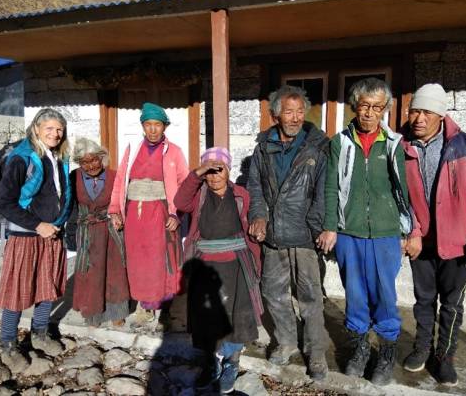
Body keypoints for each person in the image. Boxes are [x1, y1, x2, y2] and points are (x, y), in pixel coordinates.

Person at [401, 83, 466, 386]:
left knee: (452, 304)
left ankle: (444, 355)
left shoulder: (463, 146)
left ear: (441, 115)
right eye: (415, 110)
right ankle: (422, 348)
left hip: (459, 244)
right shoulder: (401, 146)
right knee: (423, 300)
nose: (419, 117)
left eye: (427, 112)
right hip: (421, 243)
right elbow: (397, 196)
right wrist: (412, 231)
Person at [319, 77, 412, 386]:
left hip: (386, 233)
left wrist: (408, 230)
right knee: (355, 294)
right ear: (354, 107)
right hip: (350, 233)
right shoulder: (340, 142)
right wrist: (331, 226)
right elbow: (331, 186)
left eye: (377, 107)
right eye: (364, 106)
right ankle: (359, 349)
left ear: (384, 109)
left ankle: (386, 352)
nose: (370, 113)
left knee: (385, 293)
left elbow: (404, 189)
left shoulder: (394, 143)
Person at [247, 85, 330, 383]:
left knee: (309, 297)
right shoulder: (263, 148)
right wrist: (258, 216)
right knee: (273, 293)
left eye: (299, 112)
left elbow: (323, 193)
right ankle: (286, 342)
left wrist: (318, 228)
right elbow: (255, 187)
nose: (295, 118)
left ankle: (316, 351)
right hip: (273, 237)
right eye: (288, 112)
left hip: (305, 236)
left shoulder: (317, 148)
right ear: (275, 115)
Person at [175, 147, 263, 394]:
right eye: (209, 173)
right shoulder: (198, 195)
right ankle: (212, 362)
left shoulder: (241, 195)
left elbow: (253, 220)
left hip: (236, 265)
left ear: (228, 170)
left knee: (235, 316)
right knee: (207, 317)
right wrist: (198, 173)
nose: (214, 177)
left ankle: (232, 362)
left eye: (219, 171)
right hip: (205, 265)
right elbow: (179, 202)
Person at [0, 108, 72, 362]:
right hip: (27, 236)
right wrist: (38, 225)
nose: (55, 133)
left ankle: (39, 333)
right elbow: (5, 202)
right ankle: (8, 342)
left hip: (52, 233)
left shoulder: (57, 157)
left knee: (47, 285)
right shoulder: (22, 158)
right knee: (18, 289)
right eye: (49, 128)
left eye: (59, 129)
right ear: (36, 129)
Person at [109, 102, 189, 330]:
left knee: (160, 261)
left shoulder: (173, 151)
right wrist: (115, 210)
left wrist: (176, 213)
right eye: (148, 124)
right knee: (138, 262)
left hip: (161, 213)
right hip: (135, 214)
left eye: (158, 125)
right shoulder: (132, 148)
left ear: (164, 127)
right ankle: (145, 308)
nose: (153, 129)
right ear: (143, 126)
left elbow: (184, 184)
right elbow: (120, 181)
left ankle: (164, 309)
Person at [68, 138, 130, 328]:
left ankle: (117, 312)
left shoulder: (114, 176)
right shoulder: (73, 177)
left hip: (110, 230)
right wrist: (70, 230)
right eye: (84, 162)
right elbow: (69, 205)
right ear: (79, 163)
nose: (91, 165)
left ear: (101, 157)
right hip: (87, 232)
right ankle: (93, 314)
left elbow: (123, 201)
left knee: (115, 271)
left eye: (94, 160)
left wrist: (119, 216)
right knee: (91, 273)